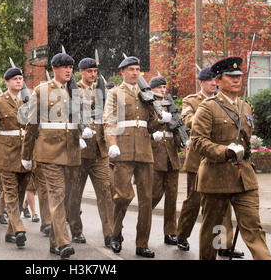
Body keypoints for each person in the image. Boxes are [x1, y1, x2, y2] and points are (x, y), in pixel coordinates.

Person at [191, 56, 271, 260]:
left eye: (239, 76)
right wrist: (224, 151)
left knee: (254, 228)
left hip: (244, 178)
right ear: (217, 81)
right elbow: (198, 142)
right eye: (230, 76)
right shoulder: (207, 107)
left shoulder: (246, 107)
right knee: (215, 230)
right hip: (216, 178)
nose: (236, 80)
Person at [21, 52, 93, 259]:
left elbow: (80, 117)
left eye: (70, 67)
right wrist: (27, 154)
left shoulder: (76, 91)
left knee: (68, 198)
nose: (69, 70)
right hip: (49, 152)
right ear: (54, 69)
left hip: (71, 152)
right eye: (64, 67)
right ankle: (63, 243)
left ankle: (54, 242)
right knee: (57, 197)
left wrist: (82, 131)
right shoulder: (41, 90)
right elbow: (32, 124)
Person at [103, 56, 171, 258]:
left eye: (138, 69)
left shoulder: (146, 94)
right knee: (123, 196)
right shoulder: (115, 93)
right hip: (122, 151)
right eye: (131, 69)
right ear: (122, 72)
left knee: (146, 201)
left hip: (144, 151)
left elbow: (150, 124)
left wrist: (161, 121)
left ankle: (142, 243)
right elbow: (109, 121)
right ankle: (116, 233)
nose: (135, 73)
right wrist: (112, 144)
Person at [176, 67, 243, 258]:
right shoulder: (191, 100)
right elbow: (188, 119)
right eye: (210, 81)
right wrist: (209, 112)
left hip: (222, 160)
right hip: (199, 160)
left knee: (221, 206)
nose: (214, 83)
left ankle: (222, 244)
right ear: (201, 83)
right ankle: (182, 234)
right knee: (193, 201)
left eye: (216, 80)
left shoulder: (226, 101)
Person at [69, 57, 114, 248]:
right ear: (81, 71)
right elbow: (70, 114)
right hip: (80, 151)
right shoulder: (73, 90)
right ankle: (76, 230)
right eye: (89, 71)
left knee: (105, 192)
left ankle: (110, 233)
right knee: (74, 194)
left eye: (95, 71)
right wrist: (77, 135)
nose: (93, 74)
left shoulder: (101, 89)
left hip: (99, 151)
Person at [0, 67, 30, 247]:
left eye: (20, 78)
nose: (19, 81)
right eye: (15, 79)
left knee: (20, 194)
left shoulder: (29, 101)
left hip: (25, 154)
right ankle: (19, 228)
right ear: (7, 82)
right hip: (5, 155)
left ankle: (11, 232)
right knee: (10, 193)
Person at [149, 76, 181, 246]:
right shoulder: (148, 104)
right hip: (155, 154)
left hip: (171, 156)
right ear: (152, 89)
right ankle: (144, 223)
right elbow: (146, 127)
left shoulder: (170, 105)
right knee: (154, 195)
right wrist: (157, 122)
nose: (163, 90)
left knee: (172, 197)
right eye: (159, 87)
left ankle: (170, 232)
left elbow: (176, 127)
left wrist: (183, 139)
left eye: (164, 87)